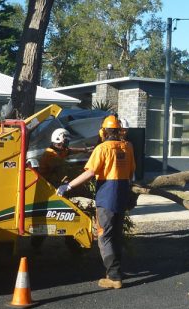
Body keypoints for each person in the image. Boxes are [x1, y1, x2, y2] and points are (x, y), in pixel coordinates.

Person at [56, 115, 136, 289]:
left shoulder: (102, 148)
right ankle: (116, 271)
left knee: (104, 236)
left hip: (107, 197)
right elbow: (131, 174)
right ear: (119, 130)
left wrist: (67, 186)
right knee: (115, 235)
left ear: (103, 131)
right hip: (122, 196)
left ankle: (114, 277)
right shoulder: (128, 147)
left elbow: (90, 172)